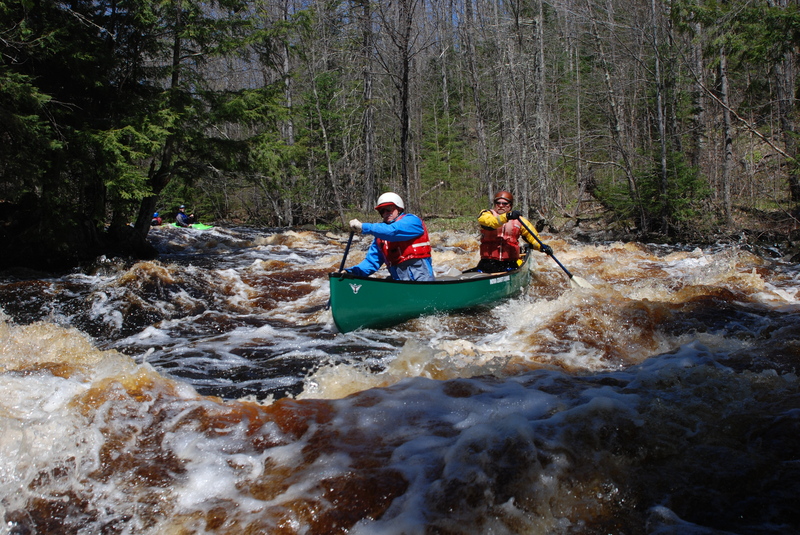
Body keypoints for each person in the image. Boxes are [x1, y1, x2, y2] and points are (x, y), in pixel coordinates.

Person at [346, 192, 435, 281]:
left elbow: (393, 231)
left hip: (421, 279)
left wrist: (363, 227)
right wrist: (351, 272)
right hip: (398, 280)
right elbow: (371, 262)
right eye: (382, 211)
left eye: (388, 209)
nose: (385, 213)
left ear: (399, 208)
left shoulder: (412, 221)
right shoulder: (380, 237)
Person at [469, 190, 553, 273]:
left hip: (509, 264)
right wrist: (507, 216)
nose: (501, 205)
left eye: (505, 203)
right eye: (498, 203)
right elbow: (491, 222)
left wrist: (542, 247)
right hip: (488, 263)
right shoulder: (486, 214)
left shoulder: (520, 221)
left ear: (510, 205)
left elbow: (533, 239)